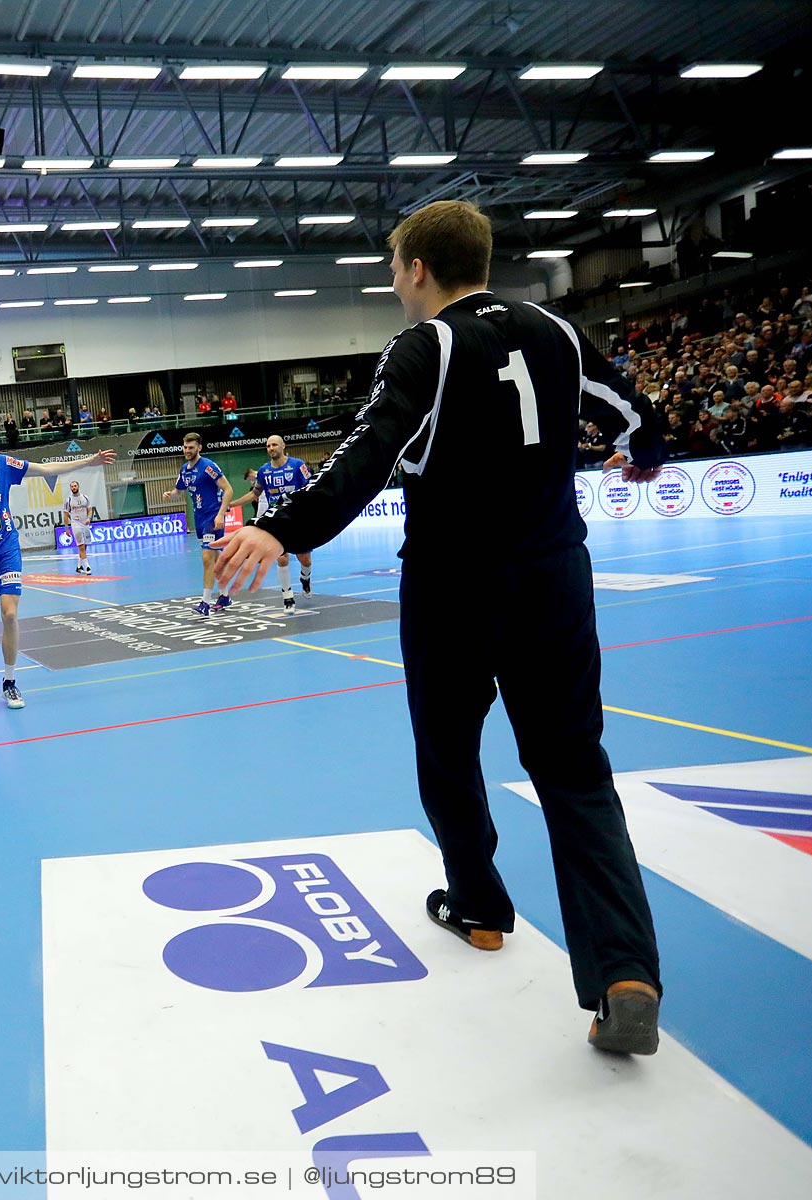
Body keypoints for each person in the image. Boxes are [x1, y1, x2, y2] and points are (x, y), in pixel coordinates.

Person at [215, 198, 665, 1056]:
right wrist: (642, 457)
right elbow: (637, 415)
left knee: (449, 752)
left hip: (454, 589)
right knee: (575, 772)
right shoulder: (556, 332)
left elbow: (368, 452)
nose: (393, 284)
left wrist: (282, 527)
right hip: (555, 582)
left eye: (393, 269)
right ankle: (625, 973)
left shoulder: (426, 345)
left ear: (419, 268)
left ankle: (481, 907)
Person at [0, 422, 116, 708]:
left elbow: (47, 470)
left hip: (6, 550)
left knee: (10, 615)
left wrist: (91, 460)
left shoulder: (2, 464)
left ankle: (10, 681)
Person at [161, 432, 235, 615]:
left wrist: (220, 515)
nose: (187, 450)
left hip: (212, 516)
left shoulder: (208, 466)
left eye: (191, 447)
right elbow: (179, 490)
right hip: (199, 516)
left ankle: (205, 603)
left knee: (207, 558)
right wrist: (170, 494)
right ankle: (225, 596)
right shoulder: (184, 469)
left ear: (199, 448)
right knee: (217, 557)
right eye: (185, 447)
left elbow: (228, 489)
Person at [254, 434, 316, 610]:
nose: (271, 448)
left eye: (274, 445)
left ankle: (305, 579)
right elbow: (255, 494)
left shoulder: (298, 465)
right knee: (281, 558)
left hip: (298, 518)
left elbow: (310, 488)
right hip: (277, 519)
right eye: (268, 446)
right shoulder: (263, 471)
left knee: (305, 560)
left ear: (283, 446)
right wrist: (231, 503)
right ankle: (287, 596)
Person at [63, 479, 98, 574]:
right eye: (72, 486)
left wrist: (89, 518)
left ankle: (78, 566)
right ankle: (88, 567)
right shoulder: (69, 500)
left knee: (85, 546)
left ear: (78, 486)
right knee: (81, 546)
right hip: (75, 523)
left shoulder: (85, 497)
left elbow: (90, 509)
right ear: (70, 488)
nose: (73, 488)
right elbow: (65, 515)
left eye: (75, 486)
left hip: (85, 523)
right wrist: (66, 528)